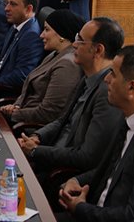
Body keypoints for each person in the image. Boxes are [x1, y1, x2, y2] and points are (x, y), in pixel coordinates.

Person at [17, 17, 125, 176]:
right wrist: (37, 136)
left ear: (98, 50)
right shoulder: (87, 77)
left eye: (80, 40)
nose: (74, 44)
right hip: (49, 155)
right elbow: (63, 120)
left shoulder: (107, 92)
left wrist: (36, 151)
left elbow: (87, 157)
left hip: (60, 173)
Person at [58, 45, 134, 221]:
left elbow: (133, 217)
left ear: (132, 88)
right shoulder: (127, 120)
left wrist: (80, 208)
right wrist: (76, 180)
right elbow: (110, 171)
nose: (106, 79)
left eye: (113, 74)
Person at [0, 9, 85, 126]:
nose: (41, 35)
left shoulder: (67, 65)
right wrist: (16, 106)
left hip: (30, 128)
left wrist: (14, 114)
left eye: (46, 29)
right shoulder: (54, 54)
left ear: (61, 34)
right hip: (23, 117)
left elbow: (49, 113)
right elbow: (30, 90)